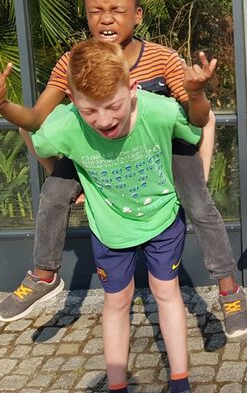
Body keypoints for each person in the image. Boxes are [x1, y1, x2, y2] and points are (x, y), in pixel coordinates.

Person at [0, 0, 247, 336]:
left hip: (158, 147)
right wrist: (2, 104)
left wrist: (195, 94)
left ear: (138, 15)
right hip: (97, 147)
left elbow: (198, 120)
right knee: (53, 192)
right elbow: (34, 121)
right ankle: (45, 273)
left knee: (199, 203)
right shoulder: (75, 62)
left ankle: (228, 287)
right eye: (96, 11)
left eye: (117, 10)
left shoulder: (162, 59)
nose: (106, 18)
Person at [29, 39, 195, 392]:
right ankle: (117, 385)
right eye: (90, 111)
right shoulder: (65, 124)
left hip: (162, 220)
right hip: (109, 227)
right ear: (72, 101)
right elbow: (35, 138)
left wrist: (201, 181)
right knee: (116, 301)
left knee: (167, 292)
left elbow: (196, 129)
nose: (104, 120)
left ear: (133, 89)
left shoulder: (161, 111)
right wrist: (68, 181)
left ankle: (180, 381)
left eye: (113, 106)